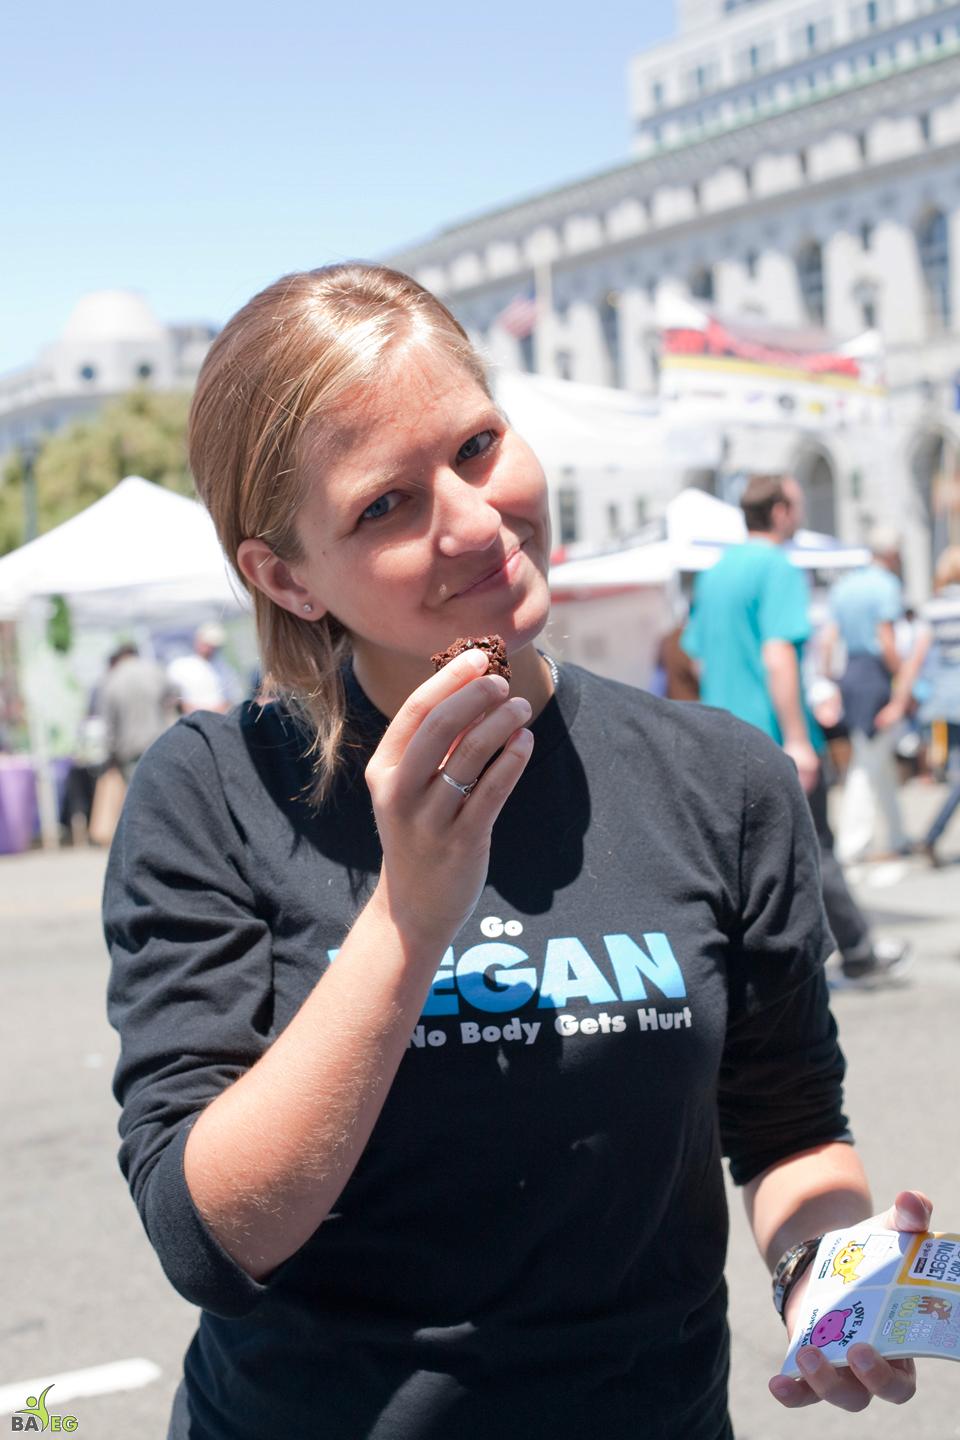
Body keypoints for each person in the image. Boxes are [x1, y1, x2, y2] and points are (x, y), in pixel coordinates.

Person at [104, 266, 932, 1440]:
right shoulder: (219, 791)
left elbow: (790, 1127)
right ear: (285, 575)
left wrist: (835, 1286)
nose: (474, 518)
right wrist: (404, 922)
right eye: (384, 506)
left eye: (479, 445)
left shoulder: (719, 775)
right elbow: (208, 1239)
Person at [681, 474, 909, 989]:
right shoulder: (778, 566)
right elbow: (779, 653)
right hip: (771, 736)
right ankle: (856, 950)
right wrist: (798, 738)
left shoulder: (715, 572)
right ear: (780, 511)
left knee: (740, 856)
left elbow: (694, 655)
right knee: (813, 846)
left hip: (719, 734)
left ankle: (756, 965)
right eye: (798, 505)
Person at [820, 527, 909, 863]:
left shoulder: (845, 586)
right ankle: (853, 843)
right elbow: (886, 639)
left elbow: (828, 639)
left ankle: (897, 833)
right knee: (868, 760)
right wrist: (903, 679)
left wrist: (831, 677)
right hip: (874, 674)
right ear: (892, 554)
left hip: (851, 673)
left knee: (877, 758)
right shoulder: (886, 585)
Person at [878, 545, 960, 866]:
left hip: (943, 699)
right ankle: (933, 833)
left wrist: (900, 699)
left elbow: (915, 659)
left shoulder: (934, 608)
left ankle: (933, 835)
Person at [100, 644, 176, 784]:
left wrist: (111, 754)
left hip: (131, 751)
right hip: (161, 742)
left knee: (143, 799)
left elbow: (109, 726)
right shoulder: (154, 670)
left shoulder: (112, 680)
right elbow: (174, 698)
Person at [166, 621, 232, 714]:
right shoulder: (179, 666)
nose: (210, 648)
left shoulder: (222, 668)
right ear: (198, 640)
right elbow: (177, 701)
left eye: (213, 645)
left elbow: (229, 698)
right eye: (207, 643)